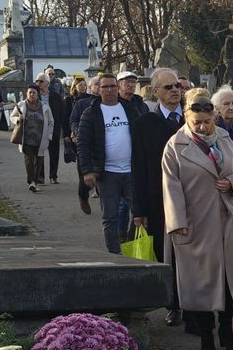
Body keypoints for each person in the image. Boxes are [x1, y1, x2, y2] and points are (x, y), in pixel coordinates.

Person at [162, 95, 233, 350]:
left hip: (226, 222)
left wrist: (232, 182)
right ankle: (206, 336)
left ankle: (227, 330)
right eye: (196, 122)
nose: (202, 127)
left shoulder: (224, 138)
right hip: (194, 225)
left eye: (207, 122)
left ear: (214, 118)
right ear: (187, 117)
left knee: (230, 282)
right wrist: (178, 223)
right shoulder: (175, 146)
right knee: (200, 286)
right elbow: (170, 186)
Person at [131, 67, 185, 327]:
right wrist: (138, 210)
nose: (175, 90)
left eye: (177, 86)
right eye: (168, 87)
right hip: (159, 200)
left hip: (193, 199)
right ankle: (173, 304)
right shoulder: (144, 125)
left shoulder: (193, 120)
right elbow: (138, 169)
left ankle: (195, 304)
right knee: (168, 254)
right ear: (155, 92)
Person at [77, 73, 139, 254]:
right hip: (107, 173)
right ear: (98, 90)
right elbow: (83, 143)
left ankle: (129, 243)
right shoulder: (91, 113)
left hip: (131, 171)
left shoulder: (128, 108)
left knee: (139, 213)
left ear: (118, 88)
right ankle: (115, 253)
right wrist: (87, 171)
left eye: (113, 86)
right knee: (110, 217)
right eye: (105, 87)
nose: (110, 90)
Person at [10, 84, 54, 193]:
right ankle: (32, 182)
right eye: (30, 92)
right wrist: (18, 120)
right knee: (29, 160)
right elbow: (12, 116)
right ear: (26, 93)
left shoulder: (45, 106)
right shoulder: (21, 105)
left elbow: (51, 121)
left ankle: (36, 181)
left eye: (34, 92)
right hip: (27, 138)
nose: (32, 95)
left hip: (40, 138)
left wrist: (49, 135)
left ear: (37, 94)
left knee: (39, 161)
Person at [70, 76, 100, 214]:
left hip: (102, 148)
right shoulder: (82, 104)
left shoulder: (111, 104)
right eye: (97, 85)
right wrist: (78, 132)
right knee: (84, 179)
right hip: (85, 146)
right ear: (90, 87)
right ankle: (83, 197)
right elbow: (73, 120)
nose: (100, 87)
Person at [36, 72, 65, 184]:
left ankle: (53, 175)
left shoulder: (56, 97)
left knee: (54, 152)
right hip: (38, 128)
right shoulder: (34, 95)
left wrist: (59, 126)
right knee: (40, 152)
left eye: (41, 81)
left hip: (53, 127)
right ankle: (40, 176)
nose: (38, 83)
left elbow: (62, 112)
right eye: (37, 81)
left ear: (47, 83)